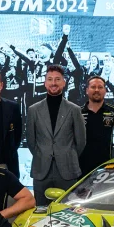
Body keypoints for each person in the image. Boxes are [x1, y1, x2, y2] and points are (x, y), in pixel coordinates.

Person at [26, 64, 87, 206]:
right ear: (45, 83)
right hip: (42, 170)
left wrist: (66, 154)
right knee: (41, 211)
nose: (54, 83)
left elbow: (81, 142)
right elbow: (31, 141)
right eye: (50, 79)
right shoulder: (33, 110)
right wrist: (44, 153)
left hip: (68, 170)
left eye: (58, 79)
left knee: (68, 211)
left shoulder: (74, 110)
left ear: (64, 82)